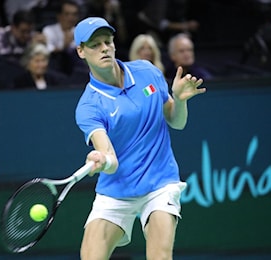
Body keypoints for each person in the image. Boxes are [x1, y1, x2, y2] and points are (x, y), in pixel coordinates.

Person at [73, 17, 206, 259]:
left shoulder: (147, 72)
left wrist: (180, 101)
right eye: (94, 45)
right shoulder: (89, 106)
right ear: (81, 51)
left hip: (159, 184)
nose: (104, 48)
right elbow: (111, 161)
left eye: (107, 41)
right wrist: (101, 159)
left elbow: (177, 122)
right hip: (116, 190)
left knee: (159, 256)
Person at [41, 0, 85, 76]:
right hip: (55, 68)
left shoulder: (81, 32)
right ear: (59, 15)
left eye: (74, 14)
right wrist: (65, 45)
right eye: (67, 14)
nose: (71, 18)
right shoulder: (48, 30)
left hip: (76, 69)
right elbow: (49, 51)